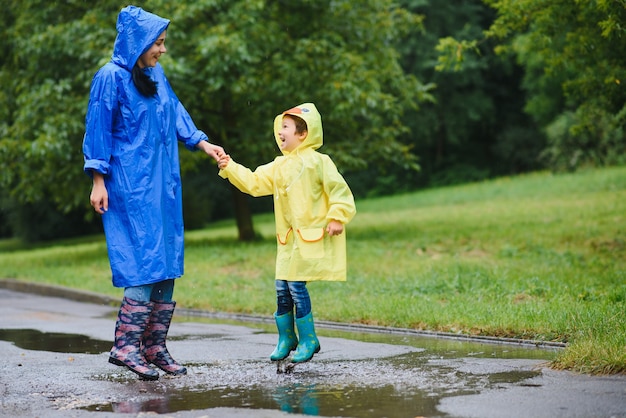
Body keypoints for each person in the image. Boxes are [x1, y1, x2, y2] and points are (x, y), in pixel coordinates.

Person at [82, 5, 225, 381]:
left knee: (166, 261)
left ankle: (154, 347)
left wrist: (202, 143)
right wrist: (98, 179)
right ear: (138, 42)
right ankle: (126, 346)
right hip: (128, 184)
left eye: (163, 43)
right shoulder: (110, 77)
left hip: (163, 185)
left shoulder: (154, 74)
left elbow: (175, 111)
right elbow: (98, 127)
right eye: (158, 43)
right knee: (144, 261)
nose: (162, 50)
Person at [217, 103, 356, 364]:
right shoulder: (279, 166)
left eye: (286, 127)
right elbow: (254, 182)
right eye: (280, 126)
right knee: (281, 288)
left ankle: (309, 339)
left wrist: (337, 216)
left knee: (296, 286)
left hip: (310, 238)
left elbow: (339, 191)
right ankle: (286, 337)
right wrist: (230, 166)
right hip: (288, 242)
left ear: (303, 133)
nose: (280, 131)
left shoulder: (319, 162)